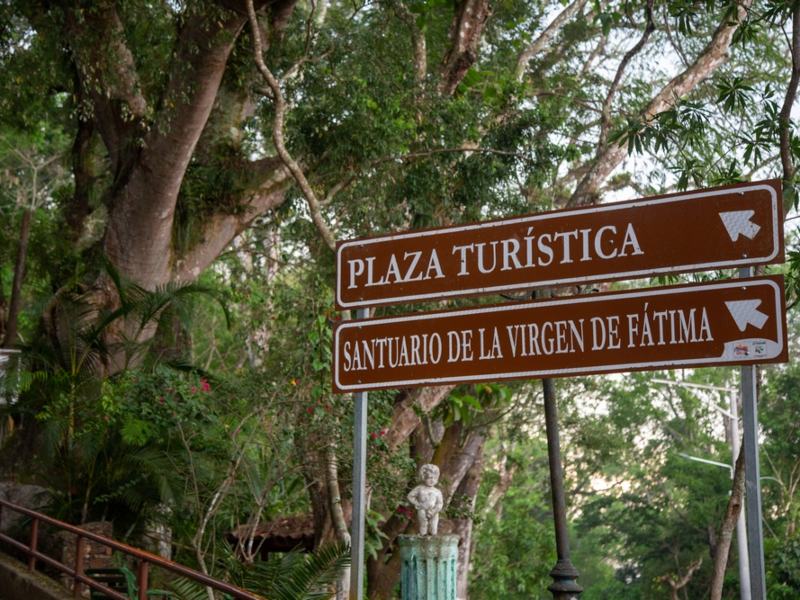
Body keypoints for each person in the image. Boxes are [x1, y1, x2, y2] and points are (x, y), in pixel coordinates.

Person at [407, 463, 444, 535]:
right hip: (422, 510)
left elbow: (440, 503)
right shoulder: (419, 488)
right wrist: (418, 504)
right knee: (423, 525)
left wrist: (434, 511)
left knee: (433, 527)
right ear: (424, 478)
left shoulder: (437, 491)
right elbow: (410, 496)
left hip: (434, 511)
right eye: (430, 478)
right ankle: (423, 536)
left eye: (434, 478)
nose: (432, 480)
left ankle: (432, 537)